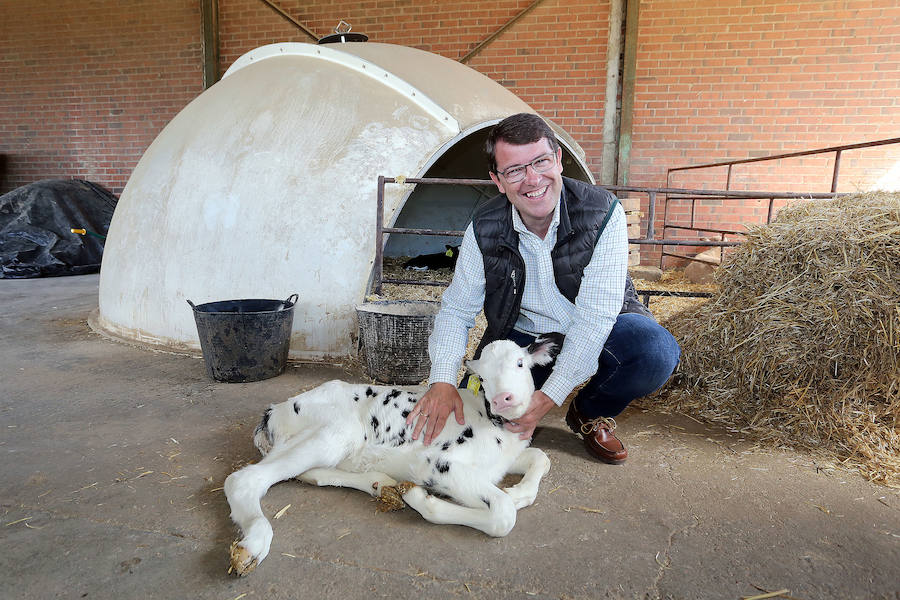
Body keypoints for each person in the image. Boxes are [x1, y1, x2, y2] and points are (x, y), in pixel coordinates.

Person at [406, 113, 680, 464]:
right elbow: (457, 310)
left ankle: (588, 413)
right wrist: (441, 380)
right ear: (498, 181)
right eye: (515, 170)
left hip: (602, 329)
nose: (533, 179)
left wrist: (549, 396)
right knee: (473, 423)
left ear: (559, 161)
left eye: (540, 162)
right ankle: (513, 410)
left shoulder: (602, 214)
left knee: (654, 352)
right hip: (523, 338)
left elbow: (595, 319)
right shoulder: (483, 227)